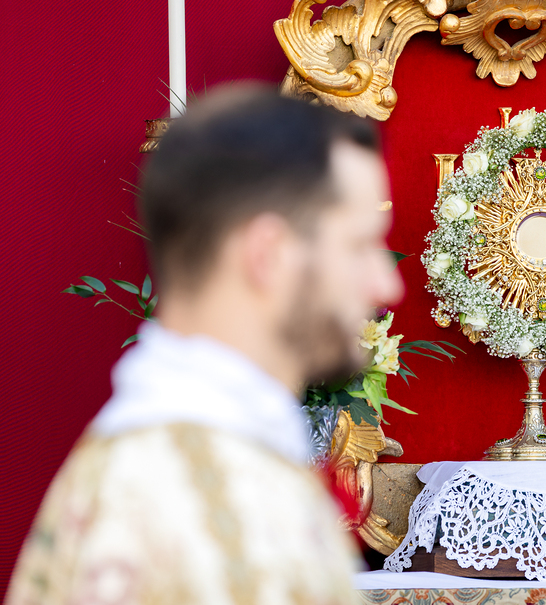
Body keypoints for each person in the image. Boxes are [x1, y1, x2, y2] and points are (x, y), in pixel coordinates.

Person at [6, 85, 403, 605]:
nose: (387, 285)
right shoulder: (177, 503)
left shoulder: (199, 464)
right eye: (359, 245)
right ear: (269, 255)